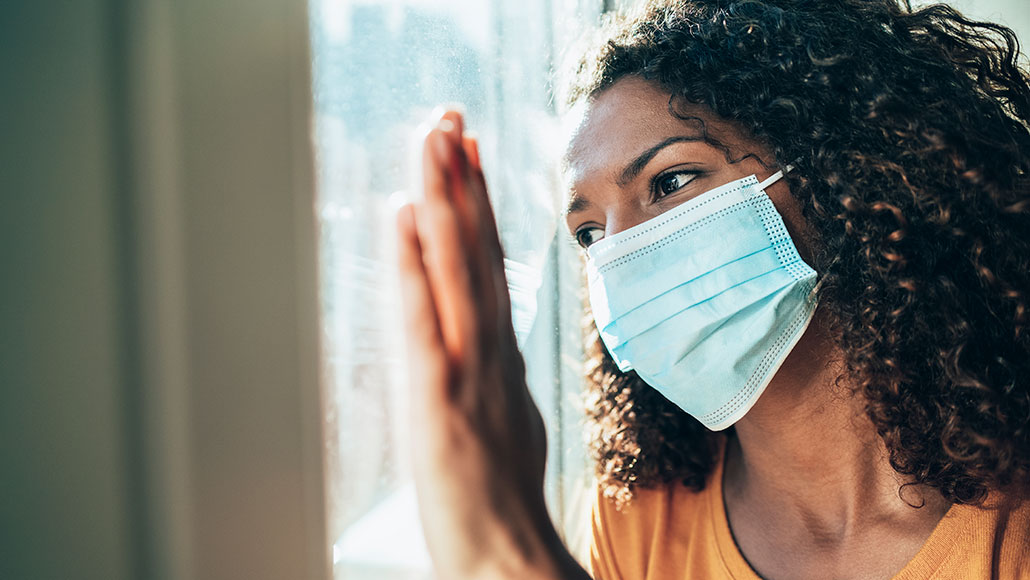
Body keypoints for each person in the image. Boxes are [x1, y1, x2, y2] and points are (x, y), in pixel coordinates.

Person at [395, 0, 1030, 578]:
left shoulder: (1014, 523)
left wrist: (507, 555)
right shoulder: (639, 518)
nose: (621, 253)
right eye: (589, 233)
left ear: (842, 175)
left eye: (670, 182)